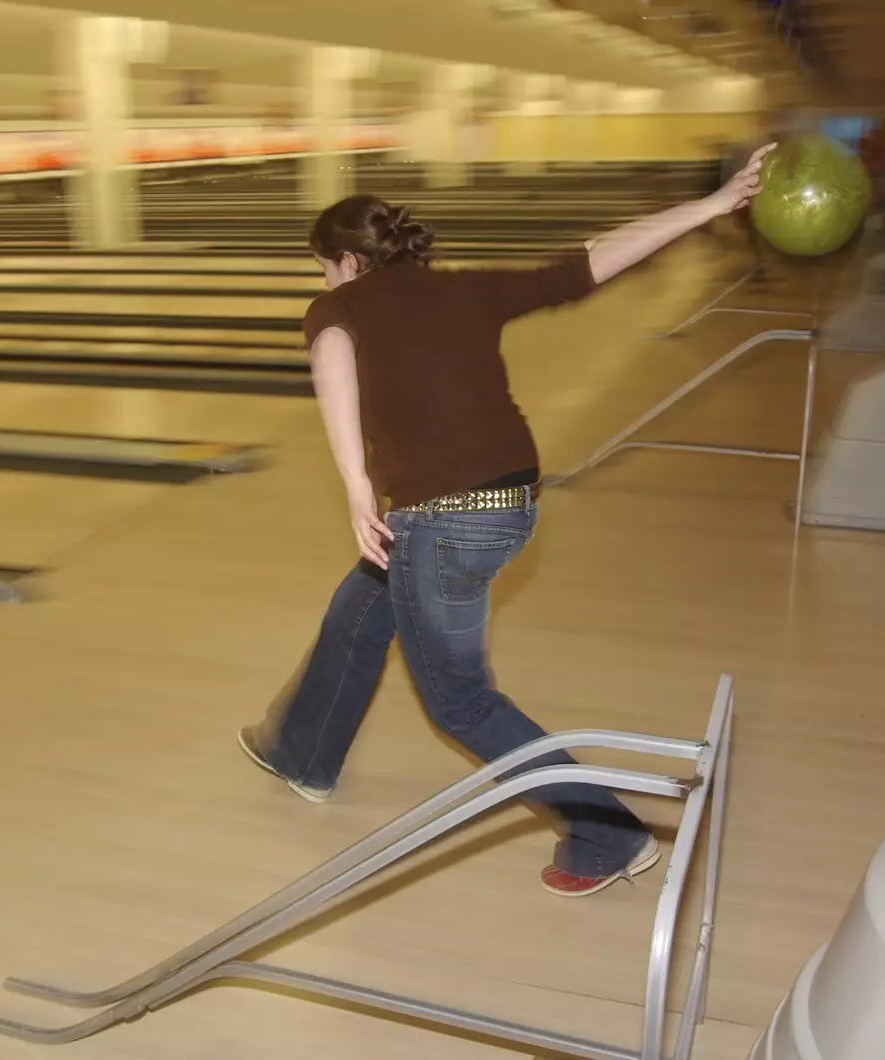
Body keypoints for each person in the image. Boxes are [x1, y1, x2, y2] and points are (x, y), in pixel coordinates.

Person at [237, 145, 774, 898]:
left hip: (444, 522)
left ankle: (607, 832)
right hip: (514, 499)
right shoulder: (468, 290)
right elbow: (595, 259)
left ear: (349, 260)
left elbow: (333, 371)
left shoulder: (337, 308)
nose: (323, 281)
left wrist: (359, 490)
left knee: (460, 700)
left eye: (324, 266)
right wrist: (711, 206)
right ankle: (302, 748)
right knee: (362, 602)